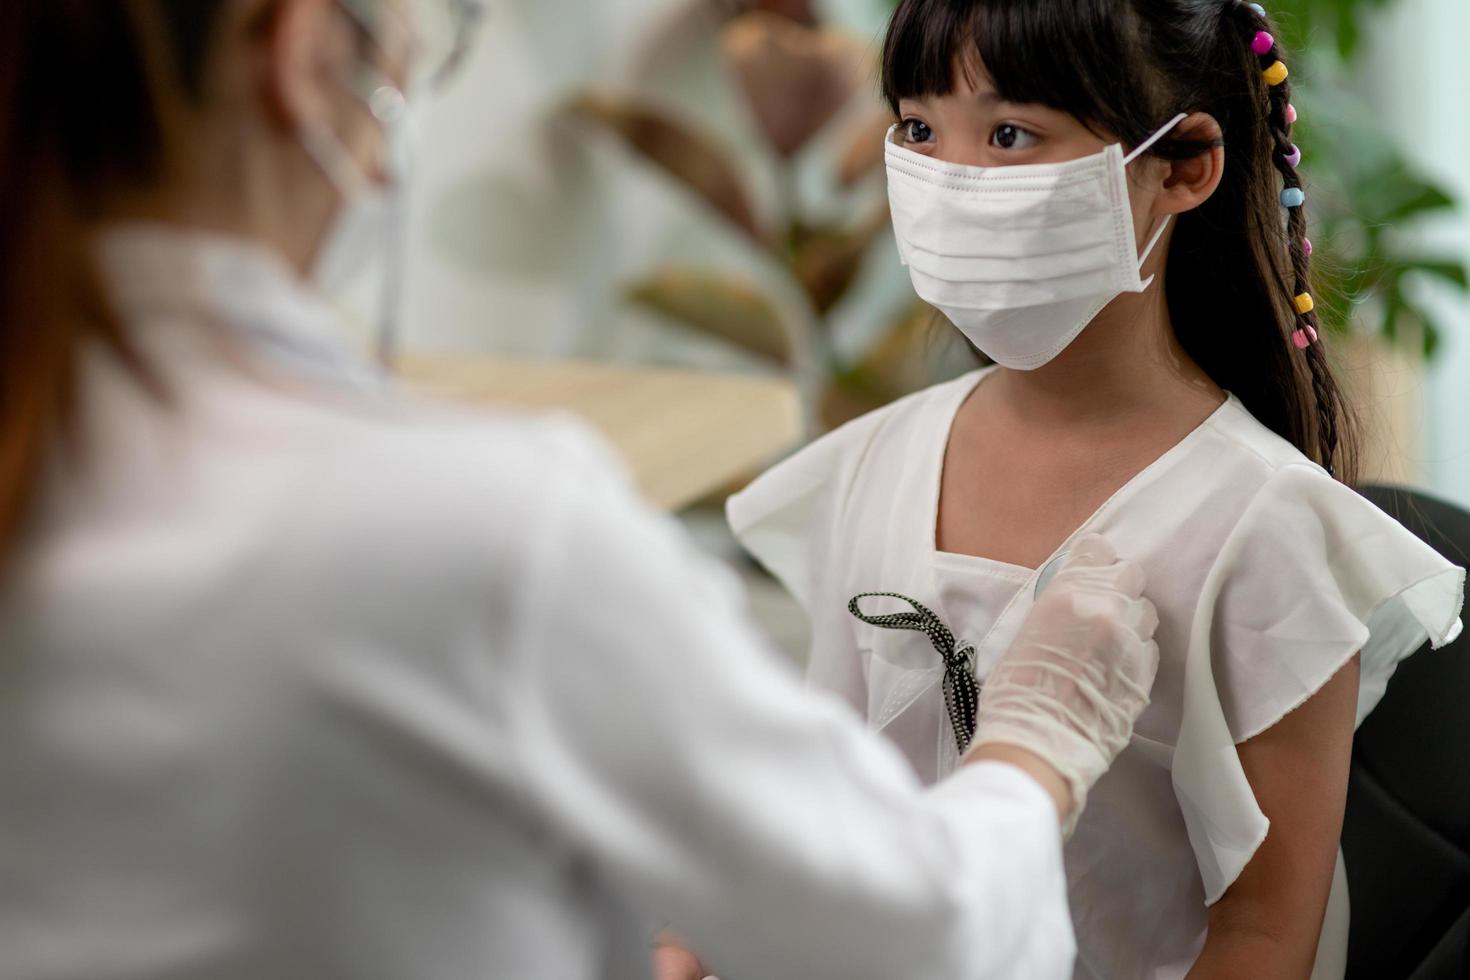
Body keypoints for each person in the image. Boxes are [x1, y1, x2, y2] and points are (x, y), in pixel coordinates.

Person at [0, 2, 1164, 979]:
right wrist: (1034, 742)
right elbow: (918, 929)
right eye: (419, 66)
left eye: (1010, 134)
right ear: (309, 60)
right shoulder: (493, 529)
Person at [727, 1, 1466, 979]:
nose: (949, 179)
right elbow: (826, 808)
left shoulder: (1269, 528)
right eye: (916, 127)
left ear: (1183, 165)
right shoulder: (874, 462)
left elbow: (1263, 934)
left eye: (1008, 134)